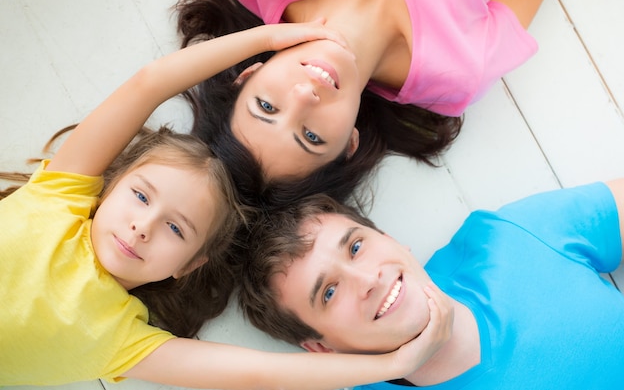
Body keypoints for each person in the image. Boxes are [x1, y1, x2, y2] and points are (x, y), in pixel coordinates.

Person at [0, 22, 453, 389]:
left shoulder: (122, 338)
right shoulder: (58, 195)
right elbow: (148, 84)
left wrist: (395, 363)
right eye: (140, 196)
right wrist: (270, 38)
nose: (143, 227)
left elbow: (262, 374)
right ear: (110, 185)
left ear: (190, 264)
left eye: (176, 230)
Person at [174, 0, 556, 207]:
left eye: (267, 106)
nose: (305, 97)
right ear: (349, 144)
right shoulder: (457, 73)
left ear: (248, 75)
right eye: (310, 135)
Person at [239, 184, 624, 389]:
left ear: (388, 237)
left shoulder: (505, 238)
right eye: (329, 292)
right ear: (321, 347)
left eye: (357, 247)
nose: (368, 279)